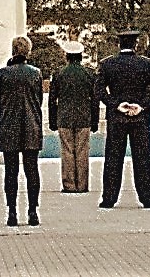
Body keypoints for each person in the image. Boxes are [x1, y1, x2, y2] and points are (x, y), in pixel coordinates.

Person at [95, 30, 150, 209]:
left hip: (117, 117)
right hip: (139, 117)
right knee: (142, 158)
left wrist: (116, 104)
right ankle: (147, 197)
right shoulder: (147, 64)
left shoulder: (107, 64)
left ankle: (109, 198)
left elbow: (99, 90)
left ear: (119, 45)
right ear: (136, 44)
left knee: (113, 158)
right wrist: (142, 105)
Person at [0, 35, 43, 227]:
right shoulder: (36, 73)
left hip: (9, 126)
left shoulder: (2, 74)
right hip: (31, 125)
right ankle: (32, 211)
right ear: (28, 51)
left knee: (11, 171)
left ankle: (12, 212)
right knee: (32, 170)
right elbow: (39, 100)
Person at [48, 45, 98, 193]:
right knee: (82, 151)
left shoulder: (58, 74)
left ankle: (69, 185)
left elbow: (52, 100)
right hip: (84, 117)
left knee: (67, 151)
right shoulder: (89, 74)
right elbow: (95, 100)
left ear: (66, 56)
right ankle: (82, 185)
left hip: (64, 118)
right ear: (81, 56)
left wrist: (53, 121)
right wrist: (94, 121)